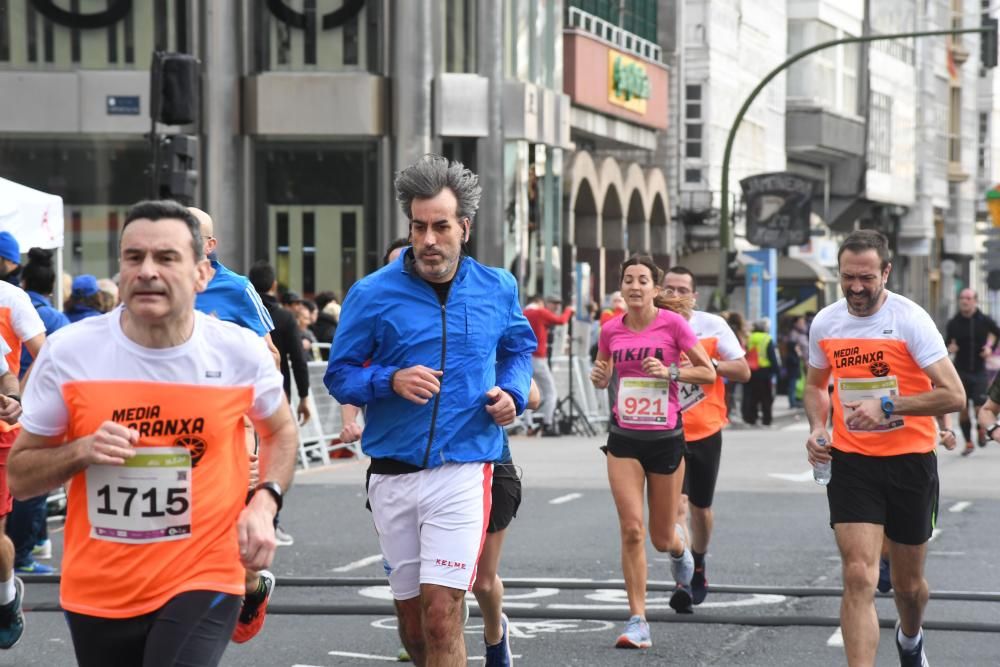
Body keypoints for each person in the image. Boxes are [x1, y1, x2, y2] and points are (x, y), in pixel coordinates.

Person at [7, 200, 299, 666]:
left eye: (166, 258)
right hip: (101, 583)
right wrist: (82, 450)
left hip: (205, 571)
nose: (146, 271)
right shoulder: (70, 353)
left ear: (202, 274)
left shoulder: (238, 352)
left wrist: (265, 501)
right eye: (133, 257)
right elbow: (20, 477)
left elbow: (281, 430)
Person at [325, 154, 535, 667]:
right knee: (415, 627)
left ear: (463, 226)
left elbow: (518, 348)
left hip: (464, 467)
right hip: (393, 472)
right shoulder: (371, 294)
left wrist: (514, 393)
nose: (428, 240)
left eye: (441, 226)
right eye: (419, 227)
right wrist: (388, 380)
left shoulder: (496, 287)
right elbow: (338, 374)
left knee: (443, 613)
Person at [803, 229, 965, 667]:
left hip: (911, 462)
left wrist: (888, 404)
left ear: (886, 272)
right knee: (859, 576)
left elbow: (954, 395)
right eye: (848, 277)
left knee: (909, 588)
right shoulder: (827, 322)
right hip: (853, 462)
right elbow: (816, 385)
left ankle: (910, 638)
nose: (856, 288)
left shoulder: (911, 320)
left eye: (867, 278)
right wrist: (819, 427)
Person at [589, 255, 716, 649]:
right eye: (628, 279)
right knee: (631, 530)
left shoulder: (673, 324)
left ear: (655, 290)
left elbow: (709, 373)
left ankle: (680, 550)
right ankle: (638, 620)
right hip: (624, 438)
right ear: (622, 287)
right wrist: (600, 375)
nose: (635, 286)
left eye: (643, 280)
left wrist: (671, 372)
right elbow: (602, 371)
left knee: (661, 537)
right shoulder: (610, 329)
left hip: (665, 439)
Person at [187, 207, 288, 639]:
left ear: (210, 246)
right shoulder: (154, 286)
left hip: (233, 426)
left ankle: (252, 584)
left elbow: (273, 356)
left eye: (193, 235)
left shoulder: (236, 288)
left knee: (238, 537)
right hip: (174, 429)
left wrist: (222, 348)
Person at [662, 267, 750, 611]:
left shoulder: (712, 325)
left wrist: (707, 364)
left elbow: (742, 370)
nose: (675, 295)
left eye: (682, 289)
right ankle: (682, 578)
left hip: (706, 428)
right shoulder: (648, 325)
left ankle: (698, 563)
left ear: (694, 295)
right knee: (677, 506)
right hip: (666, 429)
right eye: (668, 288)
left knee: (701, 508)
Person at [7, 248, 70, 576]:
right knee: (28, 488)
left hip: (12, 415)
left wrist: (17, 393)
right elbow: (48, 358)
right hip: (22, 410)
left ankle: (15, 568)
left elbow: (43, 357)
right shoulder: (53, 316)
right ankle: (26, 552)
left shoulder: (14, 299)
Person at [248, 262, 311, 426]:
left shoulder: (243, 313)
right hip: (278, 391)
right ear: (274, 285)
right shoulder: (286, 317)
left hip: (244, 391)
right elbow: (299, 359)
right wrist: (304, 396)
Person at [944, 288, 999, 455]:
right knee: (963, 410)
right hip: (960, 370)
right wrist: (950, 348)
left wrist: (990, 348)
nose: (964, 301)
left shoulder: (984, 320)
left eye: (968, 298)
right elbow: (946, 344)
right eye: (962, 298)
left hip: (979, 370)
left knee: (978, 408)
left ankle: (982, 429)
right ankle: (968, 442)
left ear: (975, 301)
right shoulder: (954, 322)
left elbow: (997, 334)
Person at [523, 294, 574, 436]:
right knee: (550, 392)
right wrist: (569, 310)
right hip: (538, 357)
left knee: (528, 392)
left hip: (525, 358)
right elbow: (561, 320)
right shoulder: (539, 311)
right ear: (539, 302)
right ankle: (547, 423)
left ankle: (529, 425)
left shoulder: (523, 313)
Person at [741, 318, 779, 426]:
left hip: (750, 371)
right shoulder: (767, 339)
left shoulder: (749, 338)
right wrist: (776, 371)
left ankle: (751, 418)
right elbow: (772, 356)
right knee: (766, 397)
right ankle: (766, 420)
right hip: (764, 372)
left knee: (752, 396)